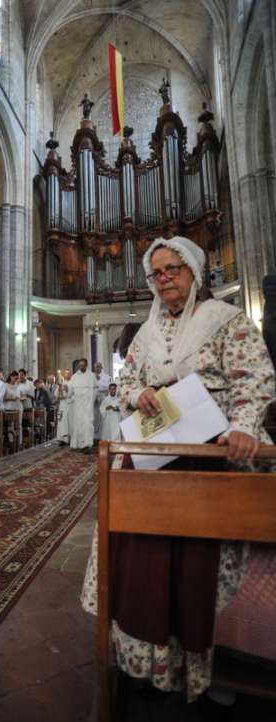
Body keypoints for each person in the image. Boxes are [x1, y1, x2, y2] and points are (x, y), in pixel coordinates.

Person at [81, 235, 275, 706]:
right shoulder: (145, 334)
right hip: (156, 444)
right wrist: (138, 394)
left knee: (198, 555)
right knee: (138, 544)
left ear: (194, 271)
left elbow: (253, 377)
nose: (165, 279)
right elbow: (127, 379)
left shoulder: (227, 321)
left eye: (174, 269)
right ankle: (144, 660)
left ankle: (206, 658)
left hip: (213, 444)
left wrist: (246, 426)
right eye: (157, 273)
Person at [68, 358, 98, 454]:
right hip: (78, 405)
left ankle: (87, 445)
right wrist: (67, 390)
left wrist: (92, 399)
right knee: (78, 423)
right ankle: (78, 444)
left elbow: (96, 388)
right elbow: (70, 390)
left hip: (87, 404)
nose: (81, 367)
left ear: (86, 365)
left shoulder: (91, 375)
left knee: (88, 424)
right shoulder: (75, 376)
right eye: (80, 365)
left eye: (83, 365)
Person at [93, 362, 111, 441]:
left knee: (102, 417)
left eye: (98, 367)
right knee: (94, 417)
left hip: (102, 398)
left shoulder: (106, 377)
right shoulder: (91, 376)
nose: (97, 368)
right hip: (94, 398)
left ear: (101, 367)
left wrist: (98, 380)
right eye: (95, 367)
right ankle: (95, 436)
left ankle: (102, 436)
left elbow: (107, 387)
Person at [56, 369, 73, 446]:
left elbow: (75, 394)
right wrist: (59, 389)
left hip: (69, 405)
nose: (67, 375)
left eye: (68, 373)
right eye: (66, 374)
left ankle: (70, 439)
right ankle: (62, 439)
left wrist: (67, 390)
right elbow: (56, 394)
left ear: (71, 375)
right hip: (62, 405)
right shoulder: (62, 383)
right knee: (61, 421)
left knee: (69, 422)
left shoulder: (73, 384)